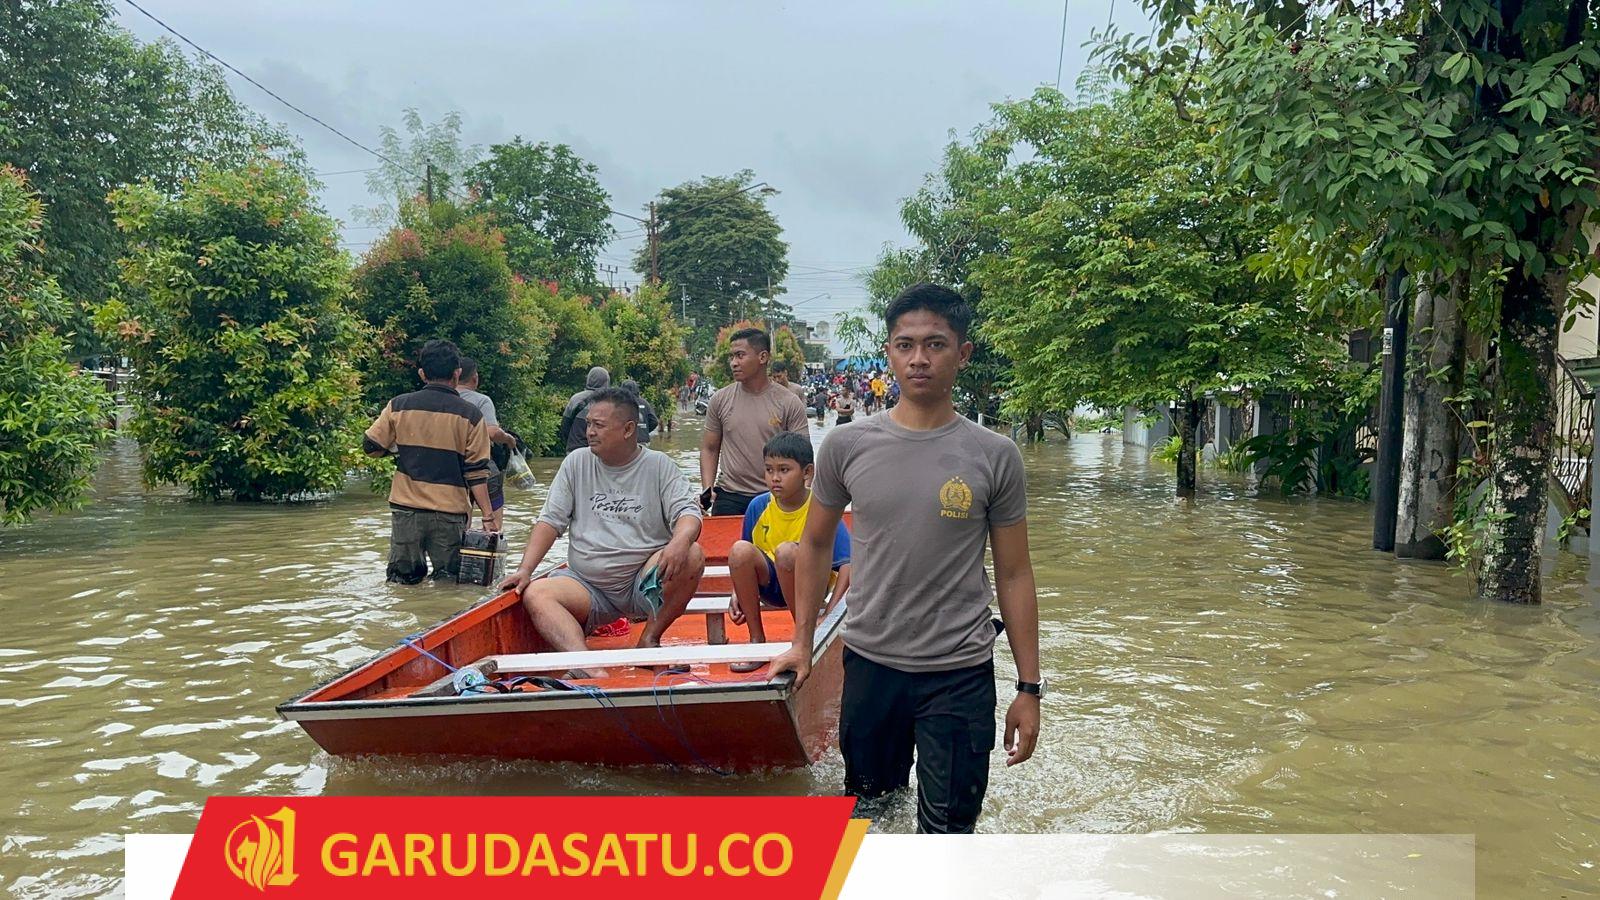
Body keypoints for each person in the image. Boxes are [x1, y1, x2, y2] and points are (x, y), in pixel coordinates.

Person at [769, 283, 1042, 835]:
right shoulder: (847, 445)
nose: (919, 358)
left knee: (950, 834)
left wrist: (1029, 688)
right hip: (872, 666)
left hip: (959, 671)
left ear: (963, 353)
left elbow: (1015, 572)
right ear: (889, 352)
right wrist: (802, 642)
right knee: (868, 819)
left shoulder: (995, 455)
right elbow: (816, 544)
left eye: (935, 344)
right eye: (905, 345)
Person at [498, 388, 706, 675]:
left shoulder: (659, 466)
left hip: (644, 584)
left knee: (692, 553)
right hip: (587, 587)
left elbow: (688, 513)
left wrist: (680, 540)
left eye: (599, 425)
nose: (590, 432)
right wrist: (525, 570)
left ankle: (648, 640)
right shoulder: (576, 463)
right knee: (537, 593)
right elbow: (550, 521)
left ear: (628, 430)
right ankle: (588, 666)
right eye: (588, 424)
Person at [363, 339, 494, 583]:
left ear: (422, 374)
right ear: (456, 374)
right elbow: (476, 473)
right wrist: (488, 516)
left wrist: (400, 448)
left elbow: (371, 446)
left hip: (406, 510)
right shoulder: (472, 416)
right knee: (449, 582)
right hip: (450, 513)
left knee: (402, 582)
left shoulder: (398, 406)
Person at [725, 432, 852, 671]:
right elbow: (744, 557)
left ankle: (803, 636)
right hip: (772, 585)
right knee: (739, 550)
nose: (775, 478)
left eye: (784, 470)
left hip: (810, 588)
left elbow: (847, 565)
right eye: (769, 470)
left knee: (787, 552)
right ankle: (756, 639)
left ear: (807, 472)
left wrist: (829, 615)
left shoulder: (822, 508)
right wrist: (736, 592)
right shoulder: (758, 506)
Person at [699, 327, 809, 517]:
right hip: (730, 495)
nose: (733, 363)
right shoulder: (720, 400)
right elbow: (710, 448)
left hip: (775, 495)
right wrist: (707, 489)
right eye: (732, 357)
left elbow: (804, 456)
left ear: (762, 357)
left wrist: (803, 498)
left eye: (740, 355)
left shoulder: (789, 402)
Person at [457, 357, 521, 532]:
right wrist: (509, 439)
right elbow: (492, 433)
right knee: (494, 525)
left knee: (462, 523)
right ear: (475, 378)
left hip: (451, 467)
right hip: (482, 464)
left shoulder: (445, 400)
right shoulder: (481, 401)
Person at [557, 366, 610, 454]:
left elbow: (565, 426)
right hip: (599, 450)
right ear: (606, 382)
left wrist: (569, 443)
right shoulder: (609, 402)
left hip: (574, 449)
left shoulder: (575, 399)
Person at [620, 379, 660, 445]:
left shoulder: (620, 403)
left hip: (627, 440)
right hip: (643, 440)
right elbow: (654, 421)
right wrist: (645, 430)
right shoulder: (644, 402)